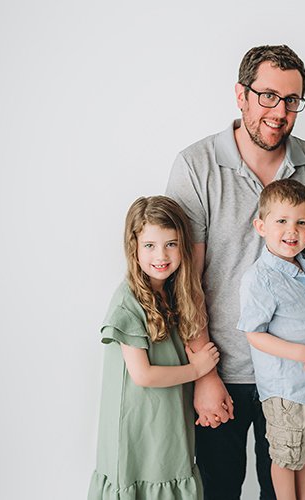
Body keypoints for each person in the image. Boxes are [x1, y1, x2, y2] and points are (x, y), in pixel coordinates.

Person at [165, 45, 305, 499]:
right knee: (220, 489)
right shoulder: (196, 165)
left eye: (292, 100)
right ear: (241, 95)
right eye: (268, 96)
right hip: (225, 368)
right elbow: (184, 280)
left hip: (295, 375)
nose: (280, 112)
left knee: (285, 493)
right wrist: (203, 372)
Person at [88, 196, 220, 500]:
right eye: (150, 245)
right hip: (137, 426)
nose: (161, 255)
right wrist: (199, 369)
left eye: (170, 244)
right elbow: (143, 375)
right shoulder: (128, 302)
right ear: (134, 247)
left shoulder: (176, 294)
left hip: (168, 421)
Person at [238, 179, 305, 500]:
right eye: (281, 221)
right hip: (286, 391)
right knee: (284, 457)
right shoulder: (260, 278)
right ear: (261, 226)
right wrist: (304, 353)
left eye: (300, 223)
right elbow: (255, 334)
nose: (291, 231)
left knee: (302, 453)